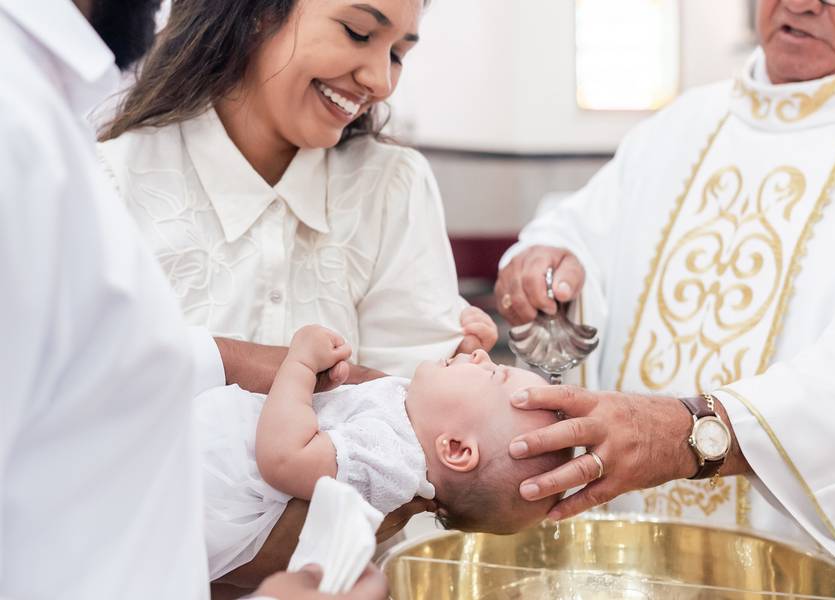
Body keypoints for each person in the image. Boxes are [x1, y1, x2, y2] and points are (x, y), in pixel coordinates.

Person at [494, 0, 835, 597]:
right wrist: (547, 271)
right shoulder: (684, 123)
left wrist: (696, 434)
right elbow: (576, 236)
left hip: (801, 571)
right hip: (630, 560)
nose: (801, 3)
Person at [0, 0, 386, 598]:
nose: (381, 78)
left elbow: (83, 390)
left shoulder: (45, 108)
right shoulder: (22, 128)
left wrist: (239, 362)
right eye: (357, 31)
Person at [96, 0, 497, 378]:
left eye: (396, 55)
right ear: (260, 12)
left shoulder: (392, 187)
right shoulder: (109, 183)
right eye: (357, 32)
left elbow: (416, 415)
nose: (379, 81)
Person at [197, 335, 570, 579]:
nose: (482, 355)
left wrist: (300, 367)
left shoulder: (393, 456)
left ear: (455, 449)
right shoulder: (406, 422)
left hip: (206, 486)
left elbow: (284, 459)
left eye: (493, 375)